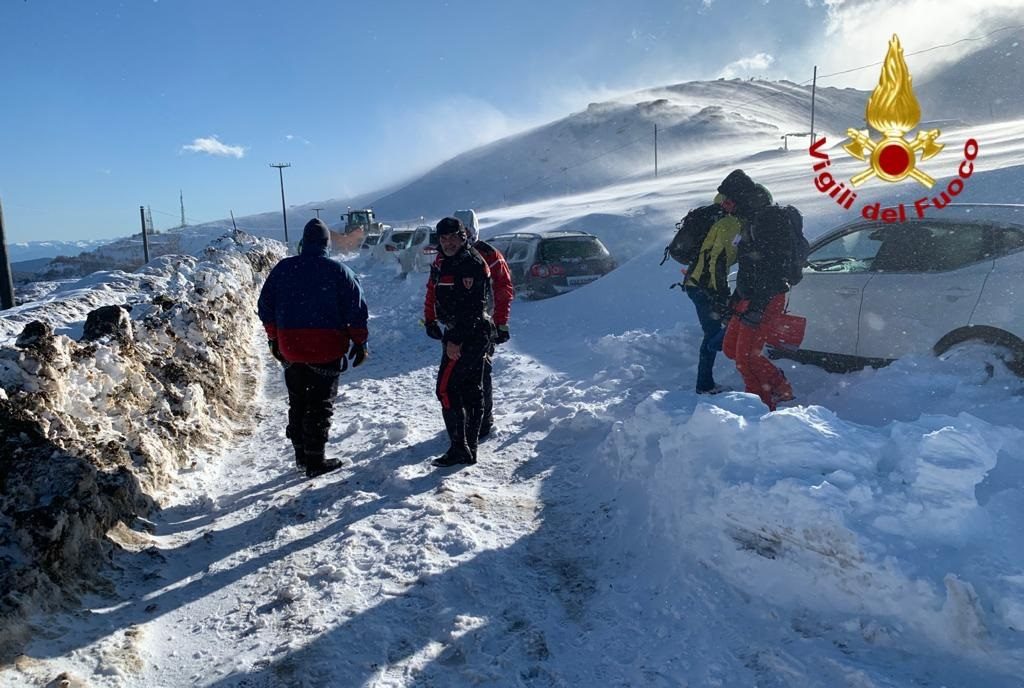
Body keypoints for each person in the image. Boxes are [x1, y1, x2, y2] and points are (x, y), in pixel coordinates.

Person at [258, 218, 369, 478]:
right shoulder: (339, 271)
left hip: (291, 348)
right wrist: (360, 342)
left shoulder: (283, 269)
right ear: (326, 244)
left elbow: (265, 307)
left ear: (303, 242)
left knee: (298, 401)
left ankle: (300, 455)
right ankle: (315, 460)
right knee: (320, 404)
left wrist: (273, 338)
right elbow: (357, 311)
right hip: (327, 348)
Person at [682, 169, 766, 395]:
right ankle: (705, 385)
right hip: (703, 286)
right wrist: (719, 294)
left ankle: (707, 381)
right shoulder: (730, 224)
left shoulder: (731, 220)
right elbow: (717, 261)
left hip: (698, 283)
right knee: (714, 335)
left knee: (717, 331)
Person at [423, 217, 491, 467]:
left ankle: (460, 448)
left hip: (468, 335)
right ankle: (467, 449)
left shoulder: (469, 263)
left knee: (446, 389)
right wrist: (431, 320)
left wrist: (455, 340)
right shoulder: (446, 262)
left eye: (453, 237)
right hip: (466, 332)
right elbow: (434, 291)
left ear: (464, 237)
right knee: (469, 390)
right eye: (443, 239)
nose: (448, 243)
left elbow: (472, 308)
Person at [723, 187, 795, 411]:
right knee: (731, 349)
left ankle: (761, 409)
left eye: (729, 201)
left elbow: (770, 270)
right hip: (750, 298)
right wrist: (736, 298)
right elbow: (749, 268)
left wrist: (757, 306)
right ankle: (777, 383)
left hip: (764, 299)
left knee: (746, 360)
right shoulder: (749, 222)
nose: (726, 206)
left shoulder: (768, 223)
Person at [461, 214, 514, 437]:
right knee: (459, 374)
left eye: (467, 232)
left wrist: (500, 323)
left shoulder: (490, 255)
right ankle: (466, 415)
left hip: (484, 323)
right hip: (458, 325)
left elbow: (503, 290)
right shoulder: (449, 254)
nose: (464, 237)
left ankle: (482, 419)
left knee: (481, 373)